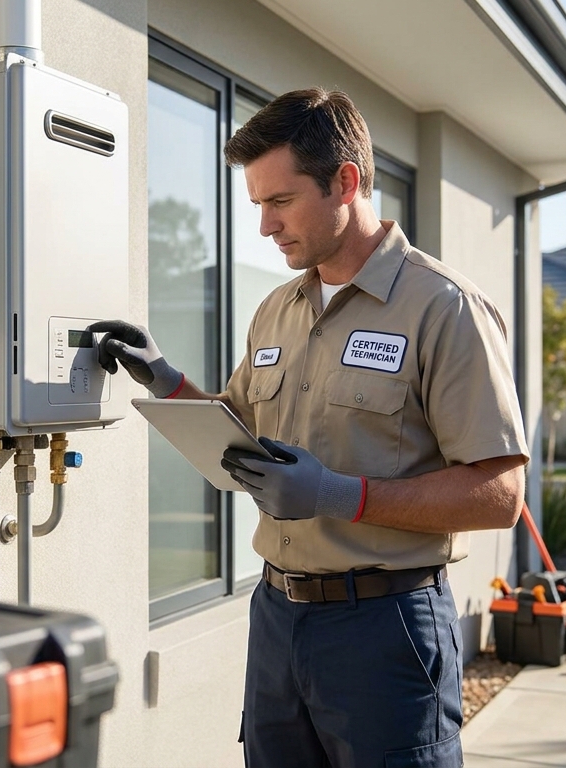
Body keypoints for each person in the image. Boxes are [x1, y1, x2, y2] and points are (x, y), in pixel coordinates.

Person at [90, 87, 527, 767]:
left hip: (386, 627)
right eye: (258, 203)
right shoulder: (276, 309)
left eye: (280, 201)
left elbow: (499, 497)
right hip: (277, 618)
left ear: (344, 182)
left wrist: (339, 495)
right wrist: (165, 379)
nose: (265, 226)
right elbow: (236, 431)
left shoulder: (444, 309)